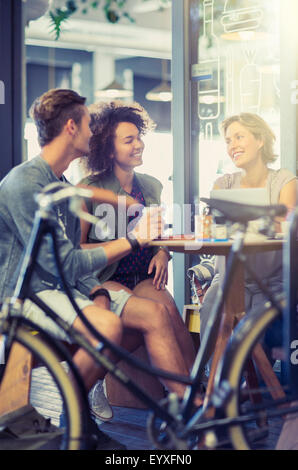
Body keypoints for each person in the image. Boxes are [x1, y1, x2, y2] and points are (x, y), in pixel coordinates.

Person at [0, 88, 201, 450]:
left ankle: (190, 409)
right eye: (90, 125)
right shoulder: (26, 183)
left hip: (65, 288)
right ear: (72, 127)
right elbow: (64, 263)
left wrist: (96, 290)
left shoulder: (57, 183)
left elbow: (72, 252)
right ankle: (75, 415)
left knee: (156, 313)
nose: (95, 134)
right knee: (108, 323)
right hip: (27, 294)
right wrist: (133, 243)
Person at [78, 101, 197, 392]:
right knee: (154, 315)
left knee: (170, 310)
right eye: (128, 140)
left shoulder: (151, 185)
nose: (138, 145)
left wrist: (162, 252)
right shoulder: (88, 189)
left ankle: (197, 386)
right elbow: (77, 249)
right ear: (108, 149)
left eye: (138, 137)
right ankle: (187, 403)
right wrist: (125, 242)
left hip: (140, 275)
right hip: (105, 278)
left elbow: (160, 232)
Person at [200, 112, 297, 365]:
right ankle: (216, 388)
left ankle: (249, 390)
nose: (232, 145)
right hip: (230, 279)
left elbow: (285, 225)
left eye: (239, 137)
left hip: (271, 281)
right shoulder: (223, 183)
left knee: (257, 340)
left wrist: (241, 221)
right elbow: (216, 230)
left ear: (260, 140)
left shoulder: (285, 181)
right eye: (228, 140)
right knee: (212, 317)